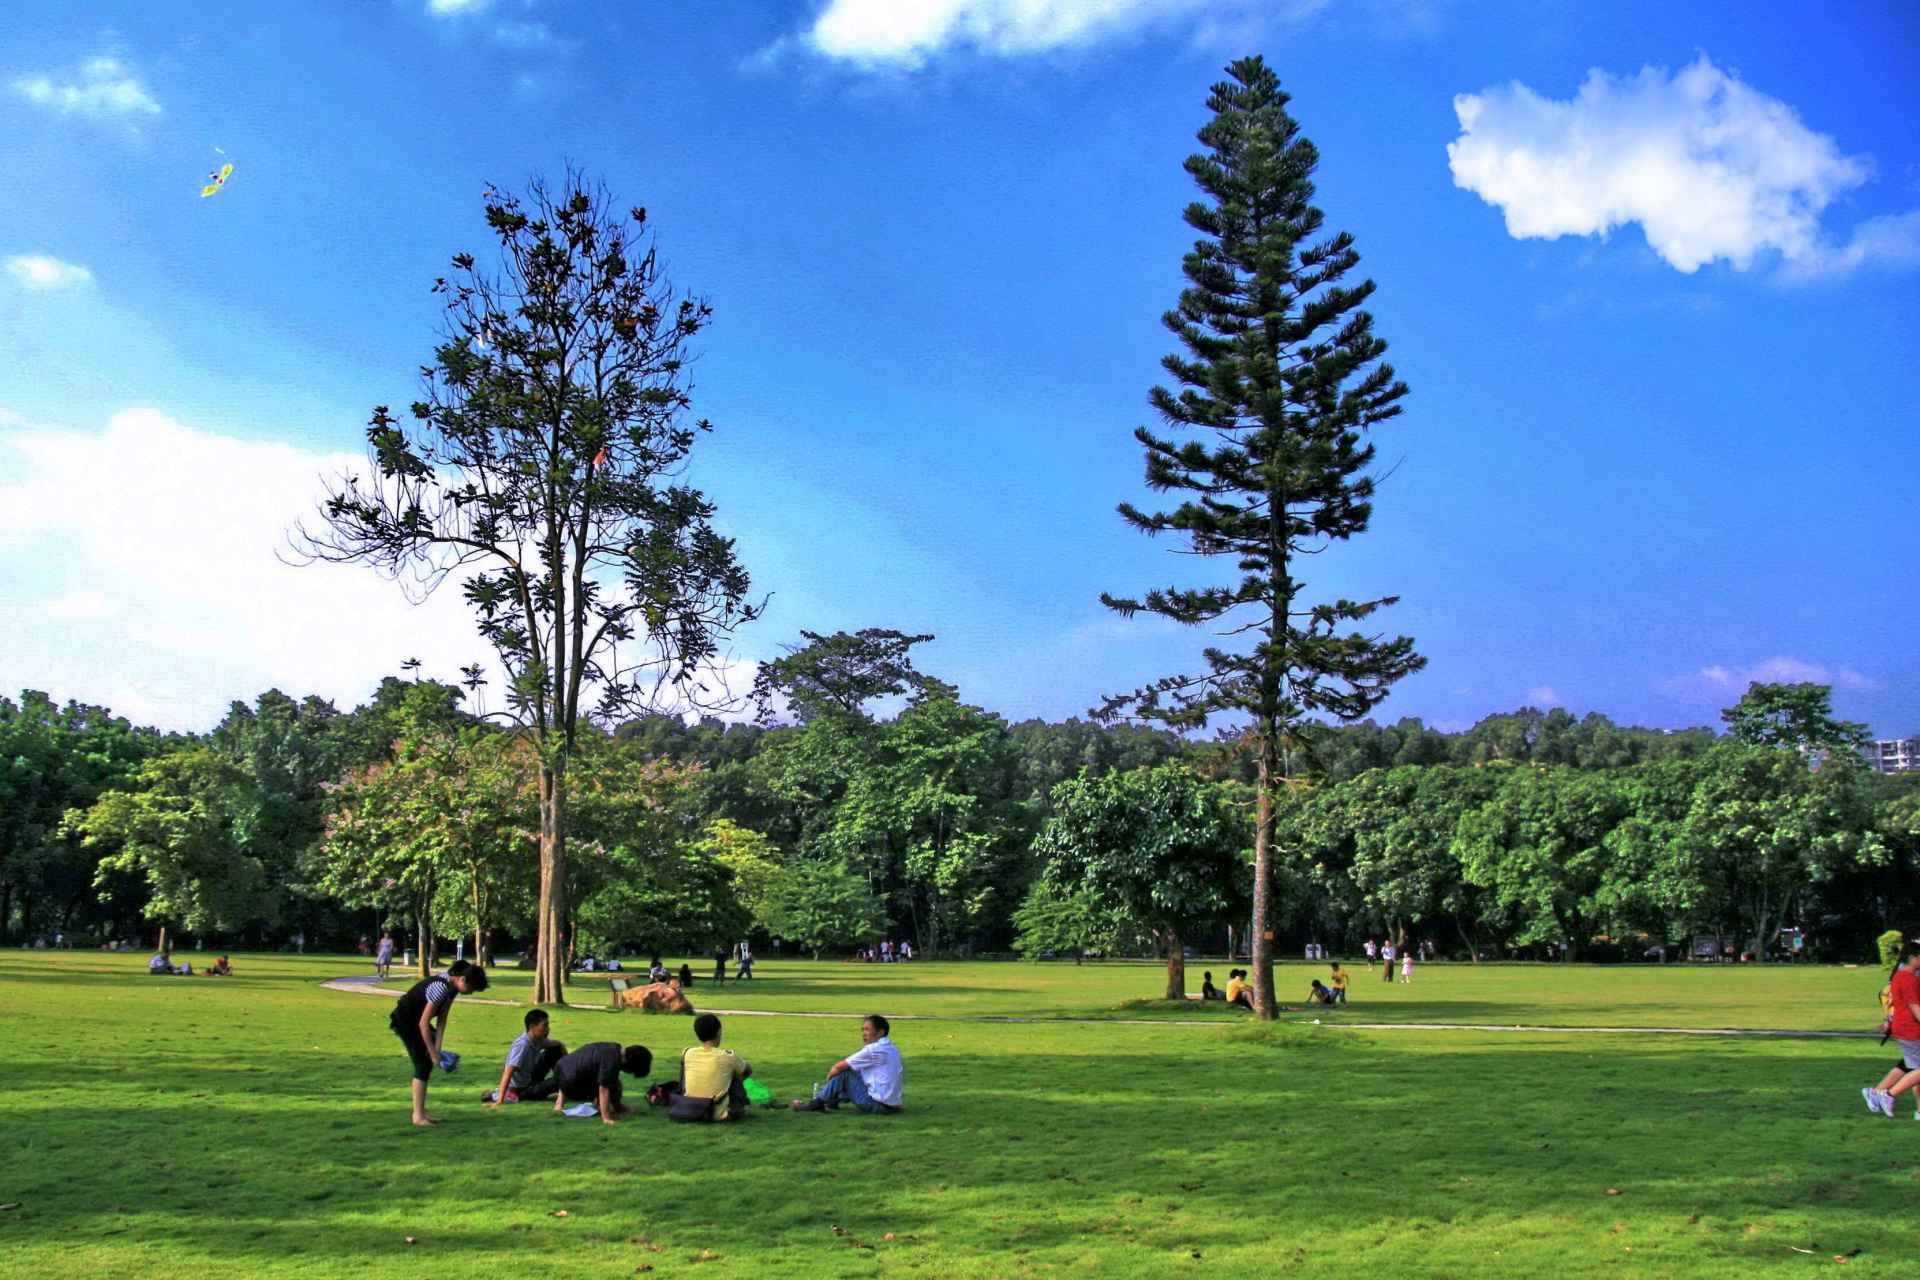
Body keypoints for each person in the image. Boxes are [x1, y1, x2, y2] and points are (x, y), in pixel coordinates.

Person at [389, 958, 489, 1126]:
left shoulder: (452, 988)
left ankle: (421, 1112)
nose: (471, 992)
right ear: (462, 979)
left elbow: (442, 1018)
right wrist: (434, 1055)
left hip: (416, 1021)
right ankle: (418, 1117)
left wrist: (437, 1048)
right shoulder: (440, 987)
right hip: (405, 1021)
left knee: (428, 1060)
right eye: (471, 989)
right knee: (423, 1064)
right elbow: (423, 1024)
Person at [791, 1014, 904, 1114]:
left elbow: (838, 1067)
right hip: (893, 1106)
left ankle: (815, 1104)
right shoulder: (892, 1048)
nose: (863, 1034)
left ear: (880, 1032)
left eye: (867, 1030)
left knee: (844, 1073)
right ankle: (831, 1101)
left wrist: (829, 1081)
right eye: (863, 1030)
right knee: (854, 1072)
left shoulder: (874, 1049)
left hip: (877, 1106)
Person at [533, 1042, 653, 1125]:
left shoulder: (614, 1048)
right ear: (629, 1064)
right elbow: (603, 1089)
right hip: (571, 1082)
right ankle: (616, 1109)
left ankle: (559, 1103)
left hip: (562, 1068)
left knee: (611, 1081)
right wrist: (606, 1118)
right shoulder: (612, 1061)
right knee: (613, 1085)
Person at [1864, 941, 1920, 1118]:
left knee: (1910, 1067)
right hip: (1910, 1028)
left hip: (1904, 1027)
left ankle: (1878, 1093)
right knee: (1915, 1069)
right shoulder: (1909, 977)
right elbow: (1913, 1005)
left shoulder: (1901, 975)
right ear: (1913, 957)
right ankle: (1886, 1095)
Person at [679, 1013, 754, 1121]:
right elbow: (748, 1071)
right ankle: (736, 1108)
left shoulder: (687, 1053)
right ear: (719, 1031)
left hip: (690, 1108)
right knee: (735, 1076)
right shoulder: (728, 1056)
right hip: (717, 1113)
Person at [485, 1008, 566, 1105]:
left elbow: (558, 1044)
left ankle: (567, 1084)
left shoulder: (539, 1040)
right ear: (532, 1026)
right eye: (545, 1025)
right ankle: (495, 1095)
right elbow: (508, 1072)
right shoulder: (522, 1046)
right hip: (521, 1090)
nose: (548, 1029)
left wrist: (568, 1063)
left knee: (555, 1050)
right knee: (559, 1080)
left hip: (531, 1077)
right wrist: (499, 1101)